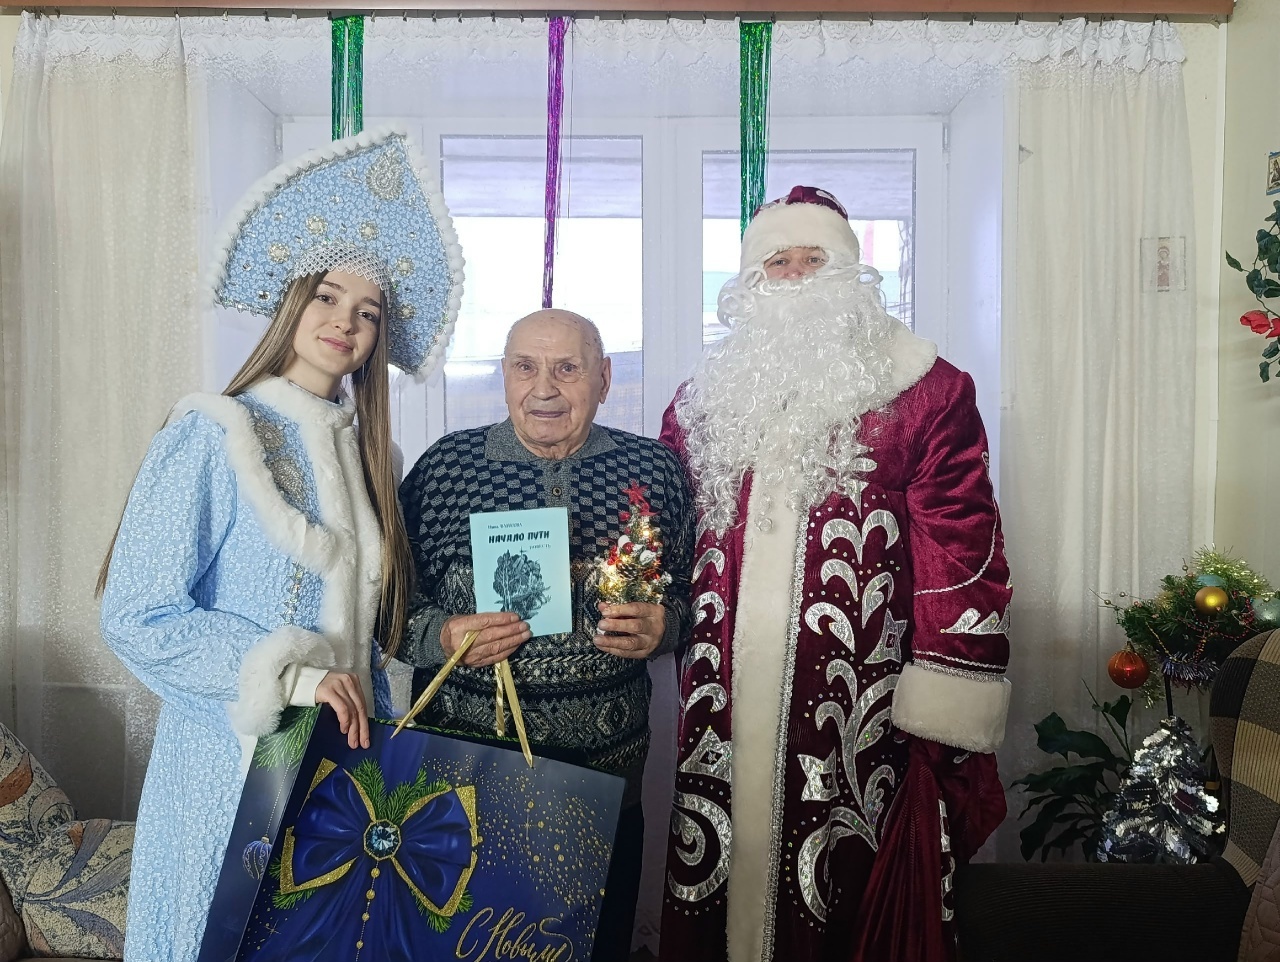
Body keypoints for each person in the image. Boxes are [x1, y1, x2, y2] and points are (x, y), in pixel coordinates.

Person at [97, 129, 463, 962]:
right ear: (292, 299)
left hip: (337, 779)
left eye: (368, 313)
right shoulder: (213, 431)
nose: (346, 323)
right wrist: (293, 679)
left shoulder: (374, 461)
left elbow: (361, 635)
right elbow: (136, 613)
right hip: (226, 771)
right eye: (329, 296)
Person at [659, 186, 1011, 962]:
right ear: (748, 283)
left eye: (811, 259)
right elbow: (667, 534)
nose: (792, 276)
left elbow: (964, 549)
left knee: (839, 881)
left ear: (849, 272)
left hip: (860, 705)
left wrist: (947, 694)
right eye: (774, 262)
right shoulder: (701, 402)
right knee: (718, 860)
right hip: (721, 698)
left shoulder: (927, 391)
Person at [397, 308, 695, 962]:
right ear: (504, 375)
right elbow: (386, 611)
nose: (544, 389)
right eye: (525, 367)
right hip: (466, 777)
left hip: (605, 781)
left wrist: (665, 625)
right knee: (460, 943)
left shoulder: (656, 472)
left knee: (595, 943)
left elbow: (693, 598)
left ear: (604, 378)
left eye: (567, 368)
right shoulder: (445, 469)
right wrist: (442, 636)